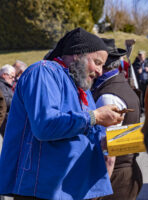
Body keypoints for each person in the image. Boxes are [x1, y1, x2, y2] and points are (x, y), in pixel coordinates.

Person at [0, 27, 124, 200]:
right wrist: (95, 116)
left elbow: (85, 132)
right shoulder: (43, 72)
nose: (100, 72)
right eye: (97, 62)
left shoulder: (82, 86)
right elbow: (45, 126)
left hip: (71, 189)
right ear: (77, 54)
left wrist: (121, 139)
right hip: (42, 190)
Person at [91, 39, 143, 200]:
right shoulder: (121, 85)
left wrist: (98, 191)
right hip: (127, 172)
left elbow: (109, 154)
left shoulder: (107, 96)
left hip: (115, 179)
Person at [0, 64, 16, 137]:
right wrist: (19, 101)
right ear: (4, 75)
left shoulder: (5, 85)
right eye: (12, 77)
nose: (13, 79)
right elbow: (5, 102)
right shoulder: (1, 85)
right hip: (5, 120)